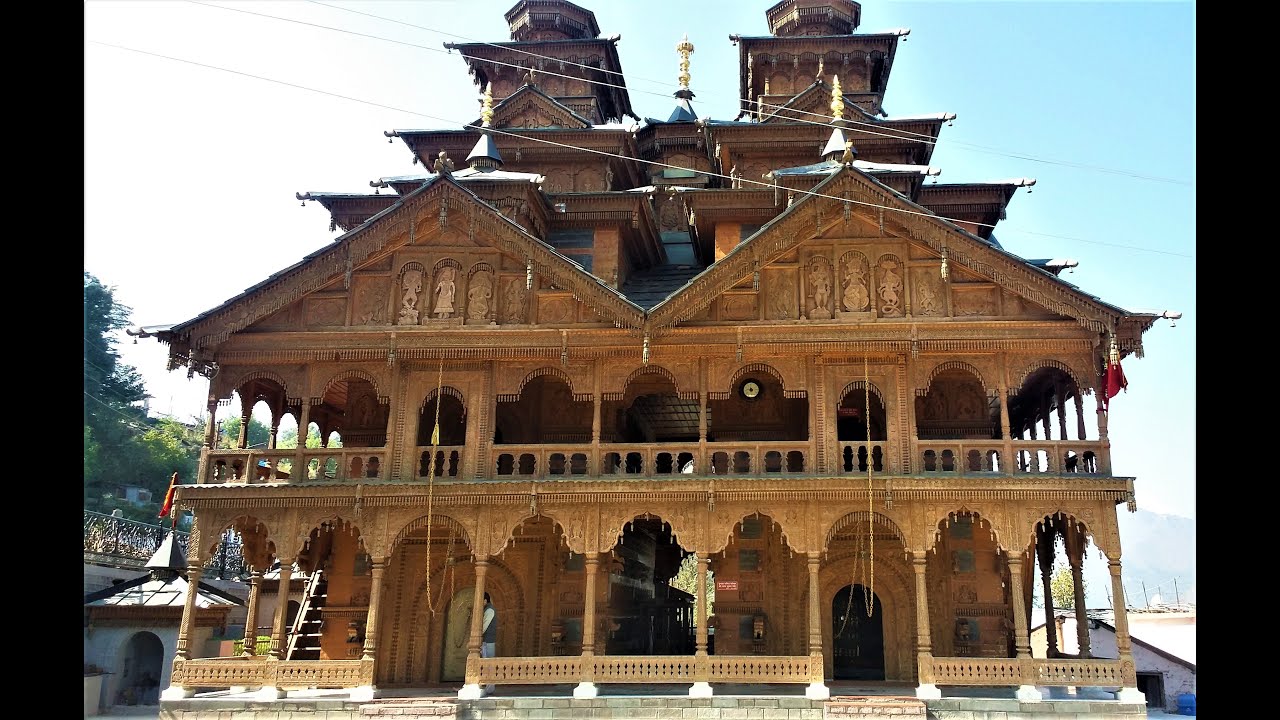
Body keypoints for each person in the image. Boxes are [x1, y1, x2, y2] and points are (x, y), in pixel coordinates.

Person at [481, 592, 497, 694]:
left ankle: (489, 688)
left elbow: (484, 626)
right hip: (486, 641)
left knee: (489, 663)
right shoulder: (486, 610)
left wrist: (476, 636)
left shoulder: (489, 610)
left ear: (485, 600)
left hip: (488, 641)